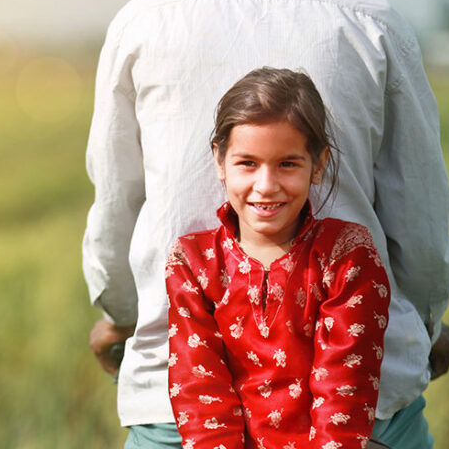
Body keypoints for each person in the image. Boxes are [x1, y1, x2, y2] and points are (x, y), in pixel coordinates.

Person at [82, 0, 449, 447]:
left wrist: (123, 316)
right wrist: (425, 325)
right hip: (356, 404)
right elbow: (422, 217)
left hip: (183, 408)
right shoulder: (374, 24)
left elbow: (117, 203)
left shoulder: (143, 23)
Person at [166, 68, 391, 449]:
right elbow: (200, 391)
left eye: (288, 163)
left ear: (318, 164)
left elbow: (343, 390)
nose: (266, 185)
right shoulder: (194, 263)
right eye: (247, 163)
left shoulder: (346, 255)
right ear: (220, 161)